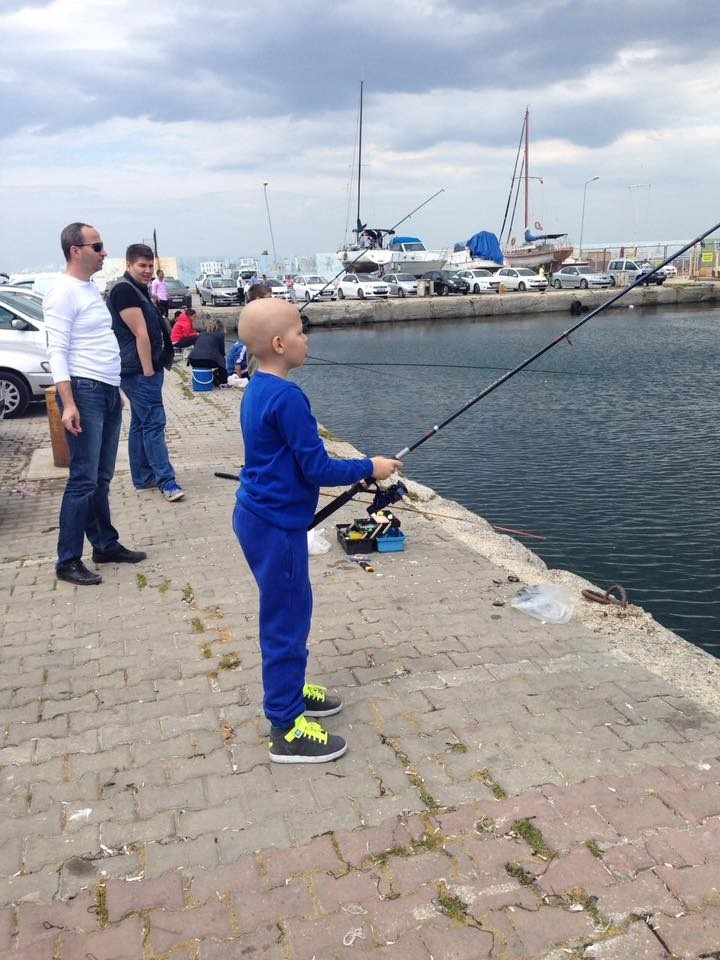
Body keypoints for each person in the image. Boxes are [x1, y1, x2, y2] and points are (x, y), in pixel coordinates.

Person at [234, 298, 402, 763]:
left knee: (294, 609)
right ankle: (285, 727)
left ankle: (291, 689)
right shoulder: (288, 397)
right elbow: (318, 466)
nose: (308, 338)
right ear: (280, 343)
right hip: (275, 526)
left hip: (257, 516)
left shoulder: (257, 388)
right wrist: (372, 465)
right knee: (285, 622)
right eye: (302, 331)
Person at [43, 222, 147, 585]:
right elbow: (57, 352)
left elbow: (98, 342)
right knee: (83, 479)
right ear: (76, 250)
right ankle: (67, 559)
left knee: (101, 477)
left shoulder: (89, 289)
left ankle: (104, 543)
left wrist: (113, 387)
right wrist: (68, 403)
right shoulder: (62, 292)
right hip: (83, 392)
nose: (105, 252)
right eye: (98, 246)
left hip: (104, 390)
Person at [107, 244, 184, 502]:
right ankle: (167, 481)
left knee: (141, 424)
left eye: (150, 266)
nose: (148, 270)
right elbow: (140, 333)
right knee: (153, 423)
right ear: (128, 265)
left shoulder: (137, 289)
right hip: (140, 371)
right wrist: (149, 370)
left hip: (141, 369)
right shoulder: (124, 291)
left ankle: (142, 477)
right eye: (142, 265)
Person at [187, 318, 228, 385]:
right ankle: (223, 380)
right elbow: (222, 352)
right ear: (221, 327)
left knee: (217, 358)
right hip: (207, 361)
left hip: (192, 360)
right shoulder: (220, 335)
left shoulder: (201, 334)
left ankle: (208, 378)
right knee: (222, 360)